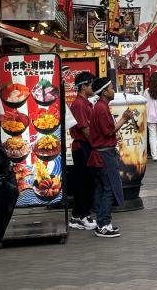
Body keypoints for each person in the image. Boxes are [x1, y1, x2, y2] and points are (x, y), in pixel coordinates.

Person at [88, 78, 134, 238]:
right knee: (108, 189)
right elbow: (108, 131)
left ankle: (102, 223)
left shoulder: (100, 107)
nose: (113, 90)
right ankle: (104, 224)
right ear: (104, 91)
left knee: (102, 189)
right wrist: (124, 118)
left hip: (100, 153)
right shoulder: (101, 108)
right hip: (104, 154)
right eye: (111, 88)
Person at [67, 72, 97, 231]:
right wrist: (98, 144)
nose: (93, 87)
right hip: (82, 147)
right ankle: (83, 215)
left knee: (84, 182)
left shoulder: (86, 103)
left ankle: (76, 216)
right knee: (84, 182)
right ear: (83, 86)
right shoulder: (79, 104)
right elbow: (85, 130)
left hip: (86, 146)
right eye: (91, 84)